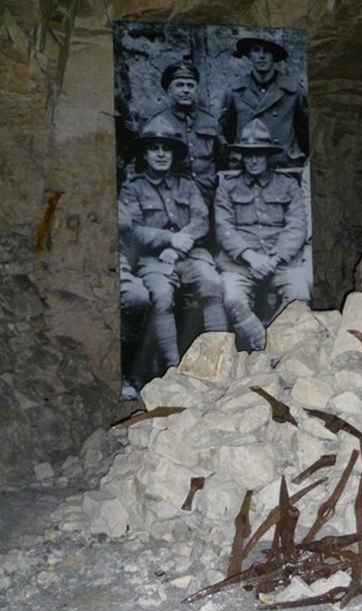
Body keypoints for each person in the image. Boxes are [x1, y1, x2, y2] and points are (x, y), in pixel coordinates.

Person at [118, 116, 227, 393]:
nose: (161, 154)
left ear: (174, 154)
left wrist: (178, 244)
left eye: (167, 149)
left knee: (212, 284)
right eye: (155, 148)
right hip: (152, 260)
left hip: (190, 255)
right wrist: (167, 238)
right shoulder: (133, 188)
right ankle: (172, 370)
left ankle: (221, 363)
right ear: (145, 153)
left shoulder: (187, 186)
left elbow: (202, 220)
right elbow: (131, 230)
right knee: (161, 295)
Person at [215, 119, 311, 351]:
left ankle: (276, 342)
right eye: (248, 155)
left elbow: (297, 226)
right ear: (242, 157)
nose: (254, 160)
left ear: (268, 156)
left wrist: (275, 258)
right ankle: (265, 349)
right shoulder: (227, 187)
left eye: (259, 154)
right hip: (240, 264)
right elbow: (223, 226)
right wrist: (250, 256)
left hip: (280, 262)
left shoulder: (288, 185)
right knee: (232, 299)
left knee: (299, 293)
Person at [220, 35, 309, 168]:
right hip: (247, 166)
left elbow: (306, 131)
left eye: (267, 51)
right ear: (249, 55)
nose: (262, 56)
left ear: (274, 56)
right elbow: (225, 130)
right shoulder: (235, 91)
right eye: (256, 50)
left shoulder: (293, 90)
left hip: (284, 165)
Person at [147, 61, 225, 206]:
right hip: (174, 199)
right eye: (180, 85)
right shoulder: (157, 122)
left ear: (196, 90)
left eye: (190, 85)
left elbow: (223, 159)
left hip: (209, 196)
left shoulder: (210, 121)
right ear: (169, 90)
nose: (186, 90)